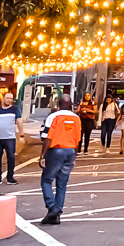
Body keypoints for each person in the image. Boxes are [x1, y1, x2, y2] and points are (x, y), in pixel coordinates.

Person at [39, 95, 80, 225]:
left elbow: (47, 137)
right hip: (70, 151)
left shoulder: (54, 117)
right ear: (71, 105)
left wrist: (42, 155)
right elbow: (78, 139)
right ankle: (56, 214)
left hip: (56, 151)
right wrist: (75, 156)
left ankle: (52, 207)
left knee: (46, 180)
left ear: (58, 105)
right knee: (62, 183)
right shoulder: (77, 118)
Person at [0, 92, 24, 185]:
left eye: (11, 98)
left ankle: (10, 177)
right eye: (7, 98)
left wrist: (21, 135)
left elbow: (19, 122)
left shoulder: (15, 109)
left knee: (11, 158)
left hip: (10, 138)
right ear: (3, 99)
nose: (9, 100)